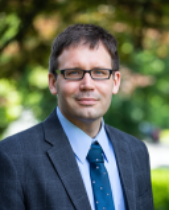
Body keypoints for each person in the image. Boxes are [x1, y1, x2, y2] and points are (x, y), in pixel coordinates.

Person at [0, 24, 154, 210]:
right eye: (74, 73)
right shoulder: (11, 156)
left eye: (99, 72)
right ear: (53, 82)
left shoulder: (136, 152)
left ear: (115, 82)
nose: (87, 85)